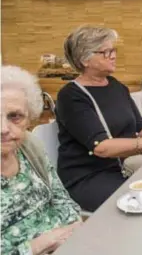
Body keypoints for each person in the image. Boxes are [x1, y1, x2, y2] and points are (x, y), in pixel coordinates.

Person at [56, 25, 142, 212]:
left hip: (121, 167)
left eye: (112, 50)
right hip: (89, 177)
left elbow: (140, 127)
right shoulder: (72, 96)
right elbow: (102, 147)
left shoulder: (115, 86)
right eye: (105, 52)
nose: (113, 56)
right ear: (84, 59)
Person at [1, 65, 82, 255]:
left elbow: (62, 201)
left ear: (29, 119)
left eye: (15, 117)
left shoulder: (29, 147)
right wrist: (43, 243)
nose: (3, 128)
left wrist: (75, 231)